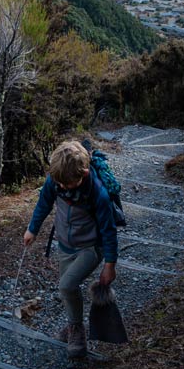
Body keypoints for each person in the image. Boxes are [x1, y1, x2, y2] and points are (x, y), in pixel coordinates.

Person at [23, 139, 118, 357]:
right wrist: (32, 229)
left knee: (65, 286)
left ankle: (77, 332)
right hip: (65, 245)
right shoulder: (55, 182)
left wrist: (110, 265)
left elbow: (109, 230)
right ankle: (72, 324)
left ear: (83, 174)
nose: (63, 188)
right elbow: (44, 204)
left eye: (68, 184)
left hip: (90, 247)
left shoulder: (98, 193)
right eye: (60, 184)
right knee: (68, 290)